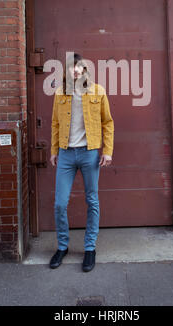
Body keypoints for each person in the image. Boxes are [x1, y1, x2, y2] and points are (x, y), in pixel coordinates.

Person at [49, 52, 114, 272]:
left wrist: (108, 151)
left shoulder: (97, 91)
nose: (75, 70)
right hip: (66, 154)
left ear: (85, 69)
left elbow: (107, 122)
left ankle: (89, 248)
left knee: (92, 200)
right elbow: (56, 124)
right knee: (59, 203)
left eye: (79, 66)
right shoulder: (60, 93)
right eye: (70, 67)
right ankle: (63, 246)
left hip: (89, 153)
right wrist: (54, 150)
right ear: (66, 71)